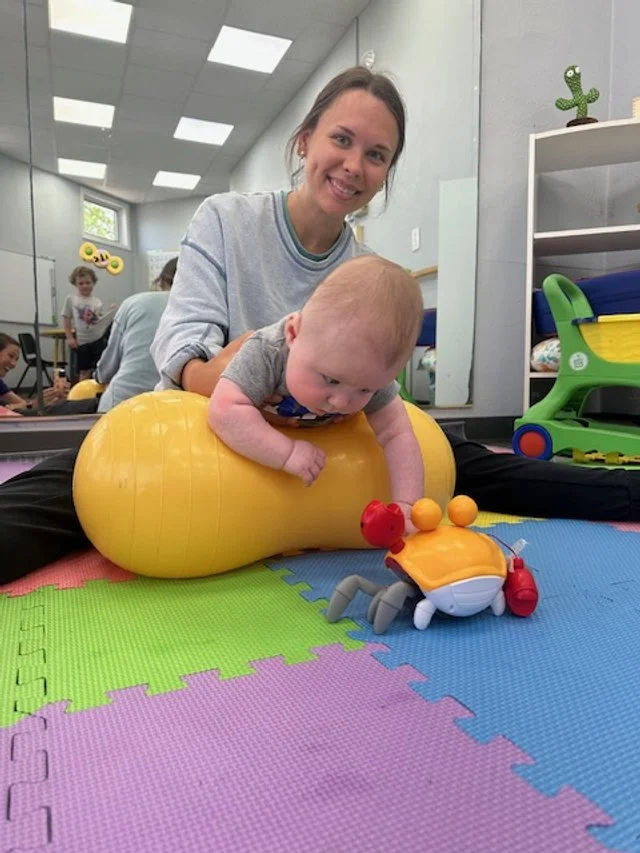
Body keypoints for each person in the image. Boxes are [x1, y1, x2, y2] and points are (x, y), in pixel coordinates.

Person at [1, 65, 640, 587]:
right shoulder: (227, 219)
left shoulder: (368, 272)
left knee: (473, 464)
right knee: (77, 486)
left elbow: (385, 401)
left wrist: (359, 419)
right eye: (341, 139)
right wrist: (240, 385)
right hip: (215, 424)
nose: (354, 165)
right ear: (306, 139)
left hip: (331, 437)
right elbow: (184, 344)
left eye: (377, 154)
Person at [209, 256, 424, 531]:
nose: (342, 402)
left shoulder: (366, 371)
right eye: (331, 380)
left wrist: (407, 504)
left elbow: (397, 433)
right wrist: (285, 452)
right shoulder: (266, 353)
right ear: (292, 334)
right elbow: (224, 409)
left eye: (364, 390)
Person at [94, 257, 177, 413]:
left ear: (161, 282)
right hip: (180, 413)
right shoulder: (208, 311)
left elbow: (106, 370)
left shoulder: (133, 303)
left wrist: (98, 375)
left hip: (120, 405)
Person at [62, 266, 114, 382]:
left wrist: (110, 312)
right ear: (75, 284)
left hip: (98, 340)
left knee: (100, 368)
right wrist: (69, 337)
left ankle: (98, 395)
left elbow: (98, 320)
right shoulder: (71, 299)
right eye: (81, 283)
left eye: (88, 283)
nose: (85, 286)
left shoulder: (97, 302)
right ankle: (83, 397)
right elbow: (66, 318)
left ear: (93, 283)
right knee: (84, 370)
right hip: (83, 342)